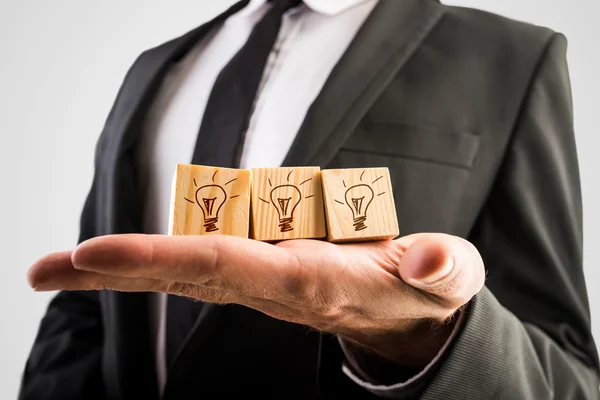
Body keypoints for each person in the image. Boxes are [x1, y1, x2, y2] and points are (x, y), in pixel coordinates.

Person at [18, 0, 600, 399]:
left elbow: (570, 375)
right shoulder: (154, 65)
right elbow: (88, 305)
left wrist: (423, 336)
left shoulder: (510, 57)